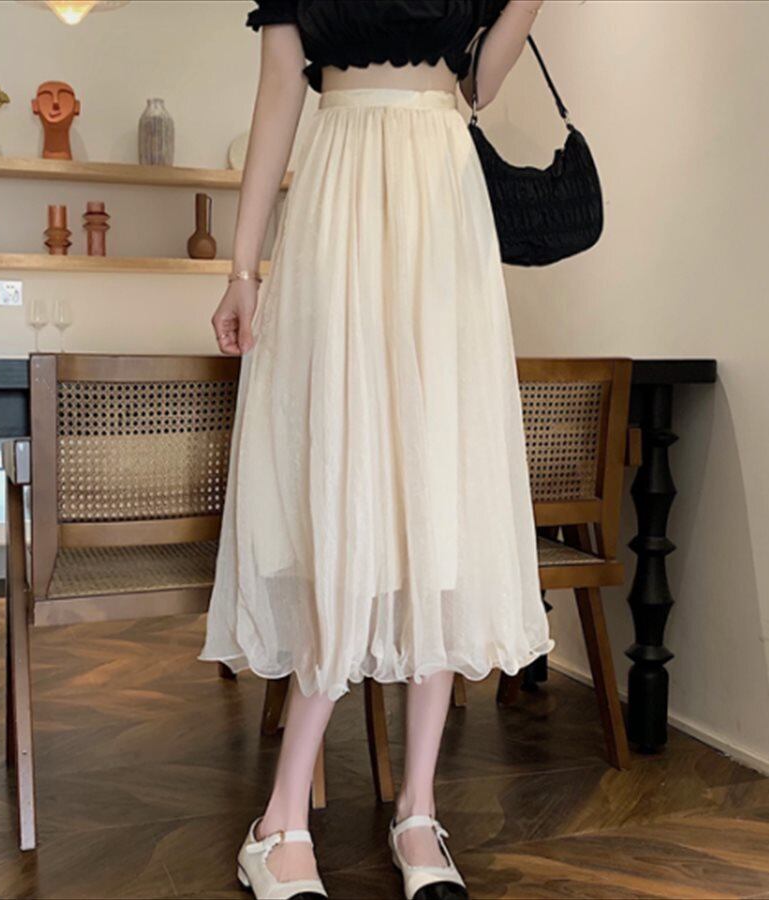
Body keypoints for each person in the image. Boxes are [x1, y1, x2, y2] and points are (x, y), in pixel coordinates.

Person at [200, 2, 550, 898]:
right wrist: (243, 269)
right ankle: (281, 818)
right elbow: (279, 94)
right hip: (341, 192)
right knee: (337, 490)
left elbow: (479, 84)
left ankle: (419, 809)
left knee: (439, 497)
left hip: (442, 196)